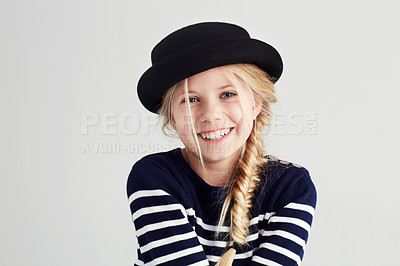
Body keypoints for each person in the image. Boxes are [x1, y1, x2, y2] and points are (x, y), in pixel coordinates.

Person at [126, 21, 317, 266]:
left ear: (255, 103)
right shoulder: (155, 178)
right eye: (191, 99)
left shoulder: (291, 187)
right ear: (172, 118)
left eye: (227, 94)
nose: (211, 114)